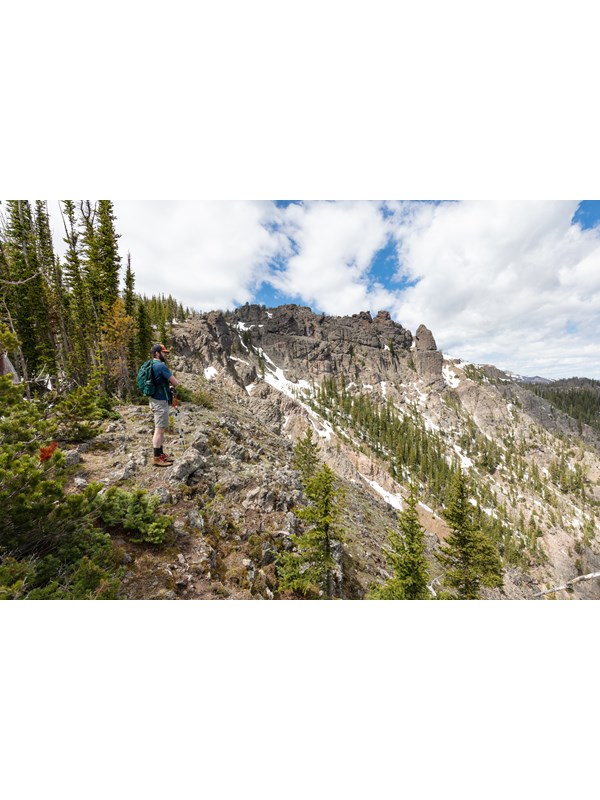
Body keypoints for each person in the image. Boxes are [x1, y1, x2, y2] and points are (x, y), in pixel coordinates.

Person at [149, 343, 179, 466]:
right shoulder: (161, 366)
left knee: (160, 429)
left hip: (154, 399)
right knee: (159, 430)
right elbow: (175, 382)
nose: (165, 355)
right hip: (160, 401)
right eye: (163, 352)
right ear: (157, 353)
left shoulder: (151, 364)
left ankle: (160, 455)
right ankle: (156, 458)